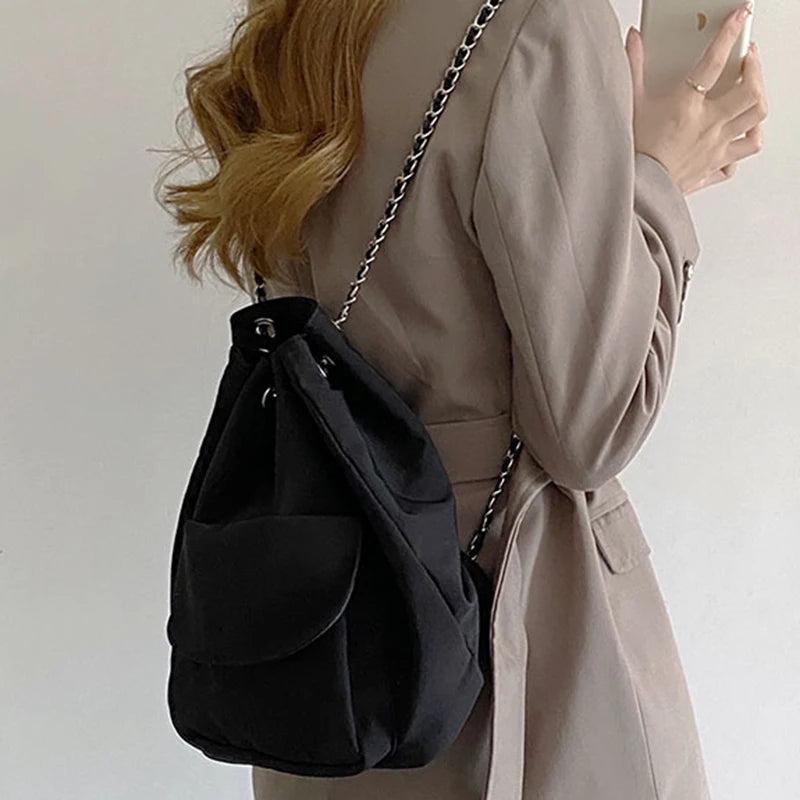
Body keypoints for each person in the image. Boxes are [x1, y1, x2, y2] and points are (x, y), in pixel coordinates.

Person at [157, 0, 767, 797]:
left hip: (323, 632)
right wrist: (656, 180)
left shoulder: (308, 14)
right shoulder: (543, 18)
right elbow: (593, 426)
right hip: (501, 629)